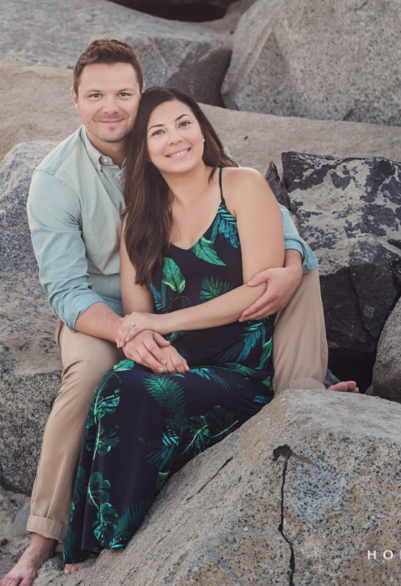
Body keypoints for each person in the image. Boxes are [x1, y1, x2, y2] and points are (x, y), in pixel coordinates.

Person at [1, 40, 357, 586]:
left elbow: (267, 223)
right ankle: (45, 537)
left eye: (123, 93)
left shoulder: (192, 152)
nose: (111, 106)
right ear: (75, 99)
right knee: (97, 377)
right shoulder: (57, 182)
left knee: (298, 278)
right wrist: (128, 328)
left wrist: (290, 261)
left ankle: (299, 402)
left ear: (140, 96)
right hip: (104, 311)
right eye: (96, 95)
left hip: (192, 316)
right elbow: (68, 291)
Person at [64, 85, 283, 568]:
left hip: (242, 371)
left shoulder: (241, 185)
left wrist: (162, 321)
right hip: (176, 363)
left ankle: (113, 544)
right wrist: (146, 340)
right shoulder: (138, 221)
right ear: (143, 149)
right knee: (117, 383)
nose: (175, 138)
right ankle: (92, 544)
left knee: (139, 392)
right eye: (158, 132)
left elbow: (260, 292)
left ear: (202, 130)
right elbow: (137, 315)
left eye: (184, 123)